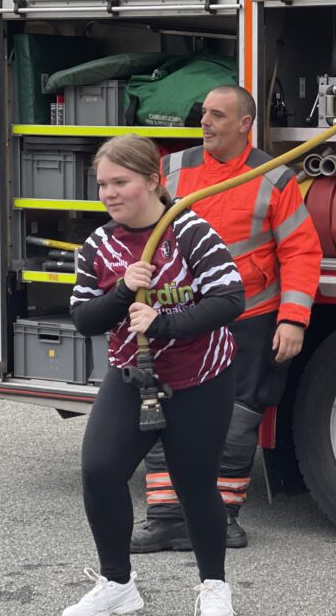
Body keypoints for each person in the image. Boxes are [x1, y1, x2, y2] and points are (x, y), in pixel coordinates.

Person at [62, 134, 245, 616]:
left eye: (120, 182)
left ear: (153, 181)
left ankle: (214, 587)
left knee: (194, 483)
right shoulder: (99, 245)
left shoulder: (191, 232)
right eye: (102, 184)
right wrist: (123, 290)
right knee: (100, 471)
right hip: (132, 377)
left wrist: (162, 324)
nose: (109, 194)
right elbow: (84, 319)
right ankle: (118, 585)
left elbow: (230, 301)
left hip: (199, 378)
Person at [131, 85, 323, 552]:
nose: (205, 122)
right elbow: (139, 231)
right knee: (164, 412)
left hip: (249, 316)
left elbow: (300, 250)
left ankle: (221, 518)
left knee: (237, 421)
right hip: (180, 314)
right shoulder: (173, 169)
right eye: (203, 113)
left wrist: (293, 318)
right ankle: (163, 518)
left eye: (217, 115)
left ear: (245, 124)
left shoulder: (274, 178)